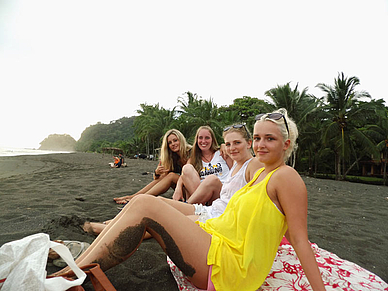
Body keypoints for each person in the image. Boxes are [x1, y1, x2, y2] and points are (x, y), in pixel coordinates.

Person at [54, 109, 325, 291]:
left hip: (230, 267)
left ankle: (69, 274)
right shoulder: (260, 173)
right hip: (216, 241)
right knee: (141, 207)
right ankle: (71, 269)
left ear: (286, 144)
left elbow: (299, 239)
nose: (260, 144)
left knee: (145, 206)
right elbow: (280, 228)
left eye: (270, 139)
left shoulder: (286, 177)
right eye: (256, 138)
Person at [83, 124, 263, 235]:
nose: (232, 148)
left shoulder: (232, 158)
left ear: (248, 143)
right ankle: (115, 221)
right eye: (229, 144)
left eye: (237, 143)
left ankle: (111, 229)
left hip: (215, 205)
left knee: (164, 220)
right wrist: (177, 186)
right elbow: (182, 173)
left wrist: (224, 146)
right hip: (205, 202)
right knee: (156, 203)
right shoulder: (197, 157)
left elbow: (262, 196)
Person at [114, 129, 191, 204]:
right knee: (164, 175)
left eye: (175, 140)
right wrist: (157, 172)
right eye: (170, 143)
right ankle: (133, 197)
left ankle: (139, 199)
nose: (173, 144)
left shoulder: (191, 153)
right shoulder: (171, 157)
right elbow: (157, 178)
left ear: (181, 140)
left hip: (193, 190)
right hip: (182, 189)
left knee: (171, 176)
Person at [172, 125, 233, 203]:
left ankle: (188, 205)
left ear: (212, 139)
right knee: (187, 168)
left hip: (221, 193)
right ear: (197, 140)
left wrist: (225, 146)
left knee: (212, 179)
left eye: (207, 138)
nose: (203, 141)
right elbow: (183, 174)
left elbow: (234, 172)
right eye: (200, 138)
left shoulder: (222, 153)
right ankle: (200, 206)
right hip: (204, 196)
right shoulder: (194, 158)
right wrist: (178, 189)